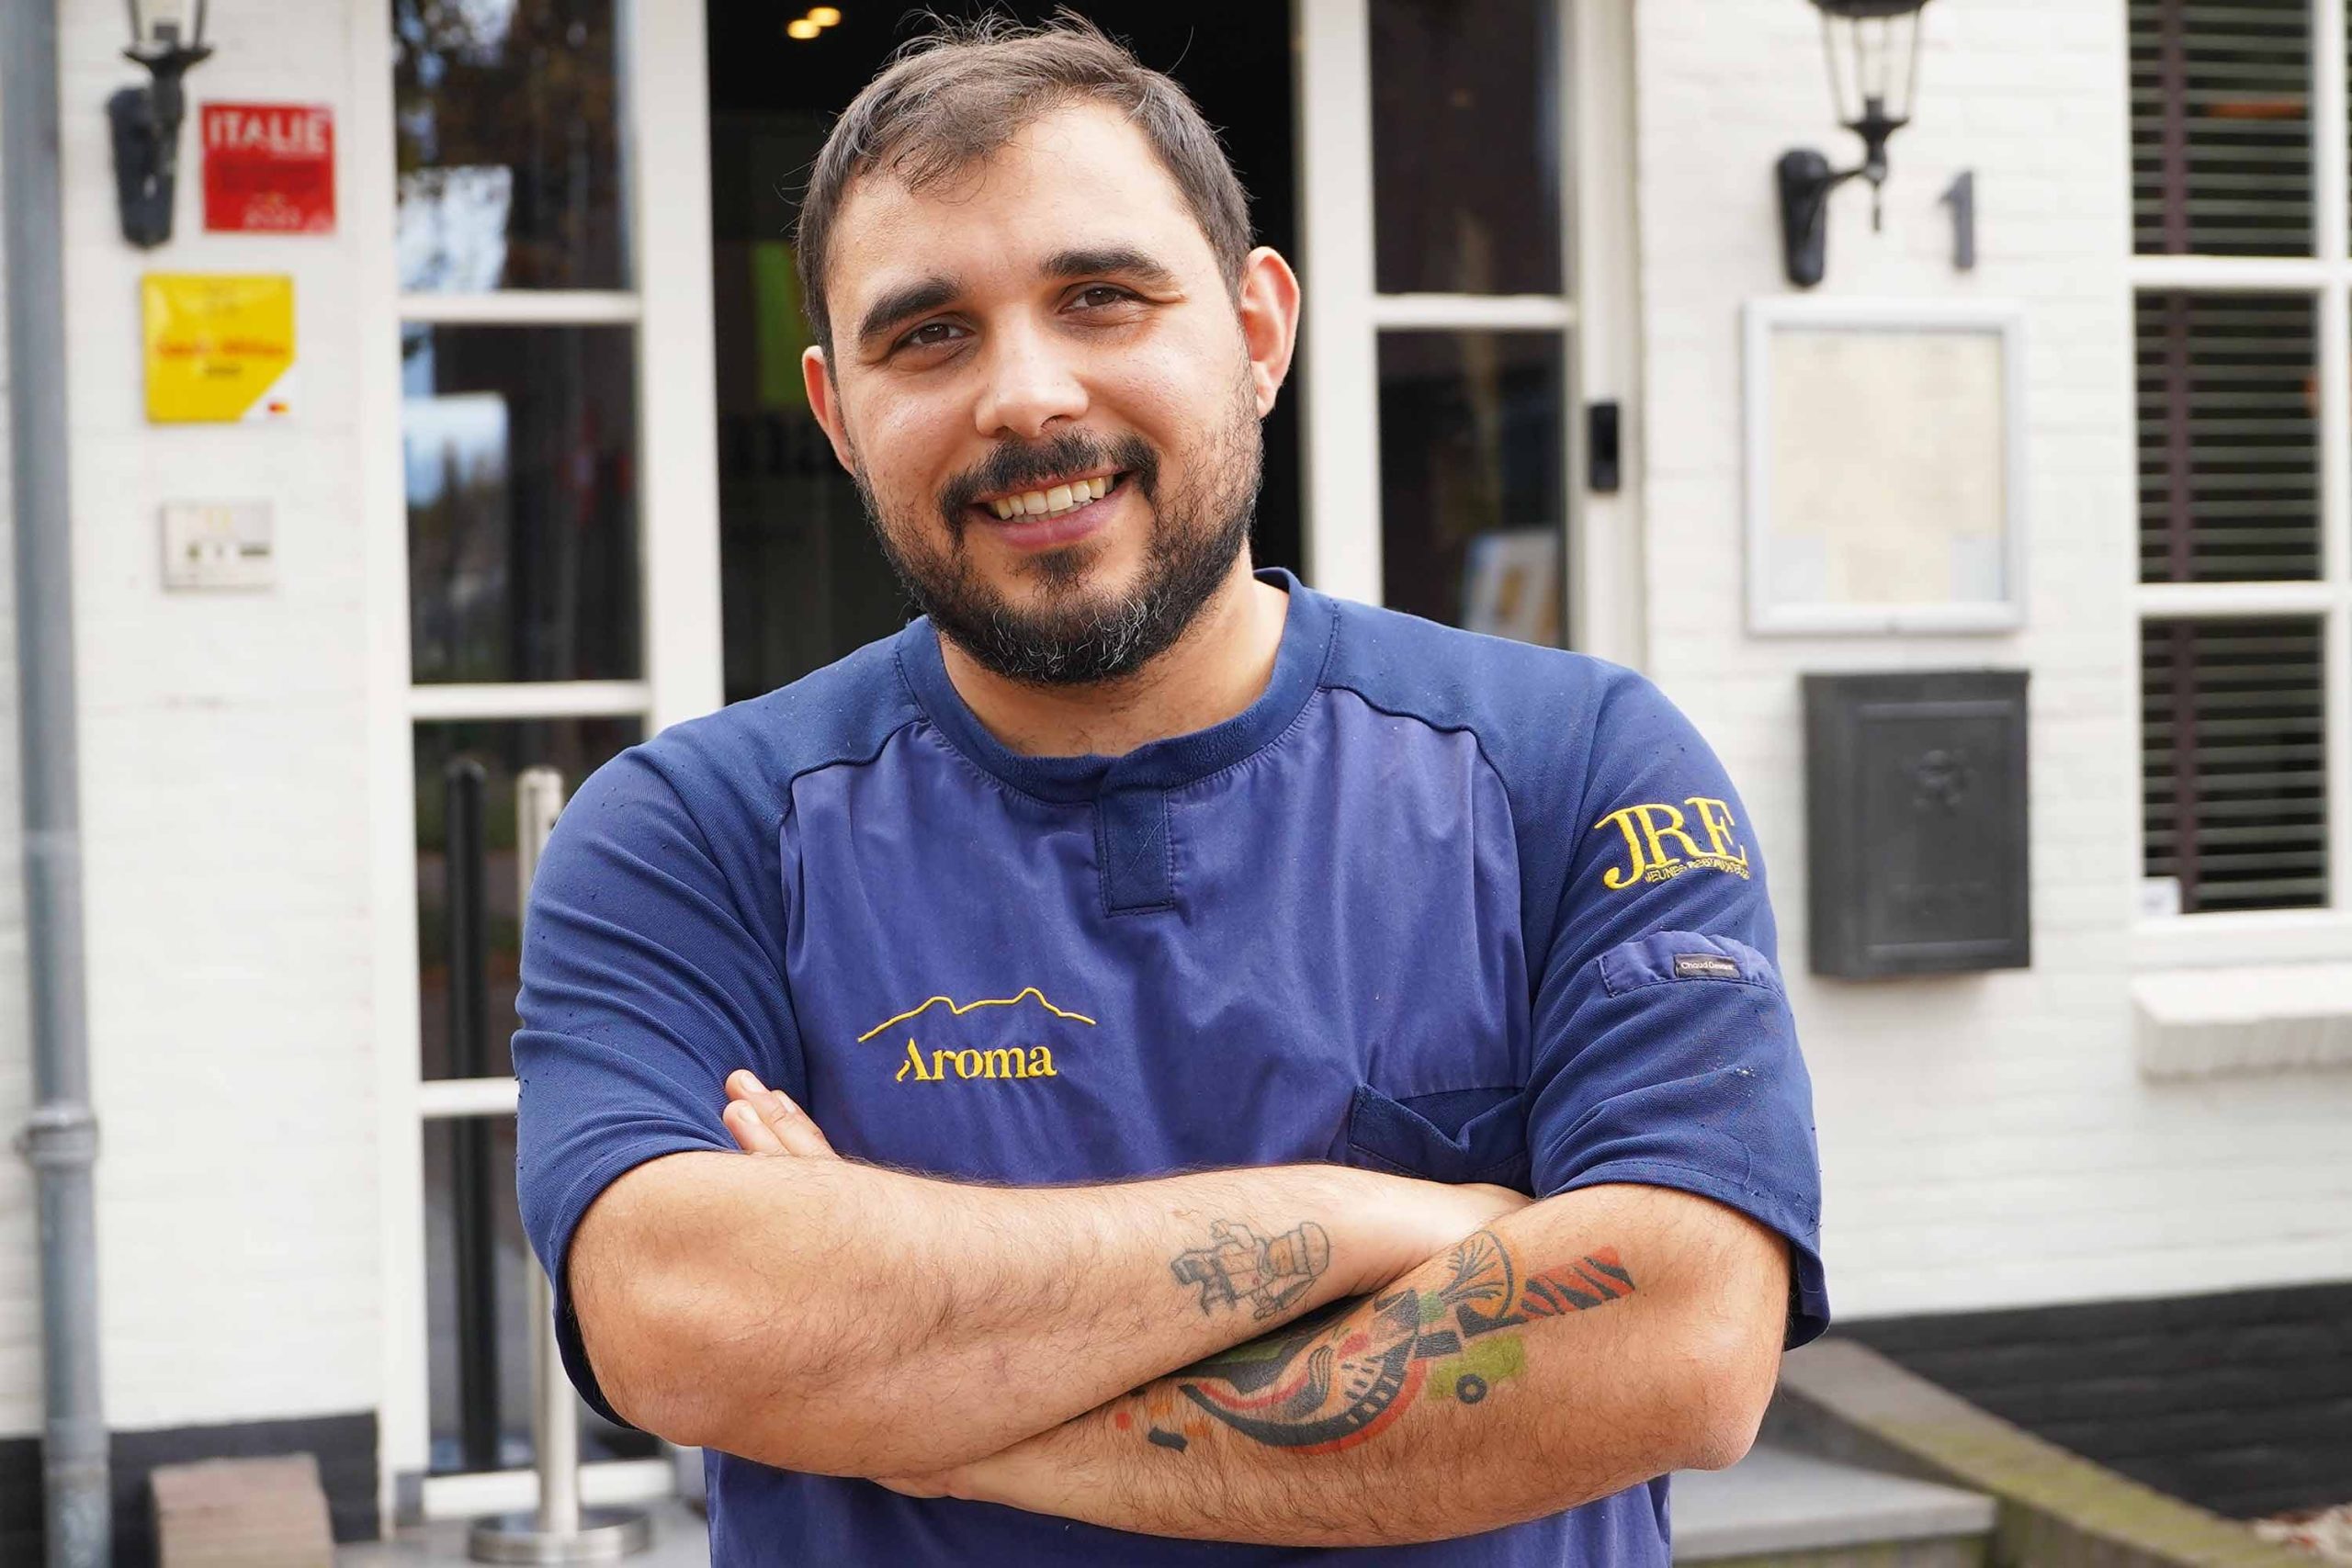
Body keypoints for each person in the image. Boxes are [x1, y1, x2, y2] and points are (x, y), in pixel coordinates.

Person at [514, 17, 1826, 1564]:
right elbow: (677, 1317)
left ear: (1259, 331)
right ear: (837, 415)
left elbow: (1680, 1343)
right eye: (927, 335)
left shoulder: (1575, 770)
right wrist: (1368, 1221)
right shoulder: (692, 836)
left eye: (1102, 298)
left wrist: (915, 1407)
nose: (1025, 396)